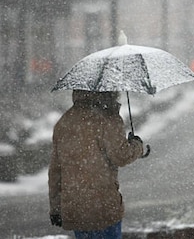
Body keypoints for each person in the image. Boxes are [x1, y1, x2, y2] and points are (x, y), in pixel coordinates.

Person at [49, 90, 144, 239]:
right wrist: (137, 145)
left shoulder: (65, 121)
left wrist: (55, 208)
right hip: (103, 206)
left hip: (76, 208)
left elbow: (55, 170)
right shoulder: (107, 118)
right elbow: (121, 156)